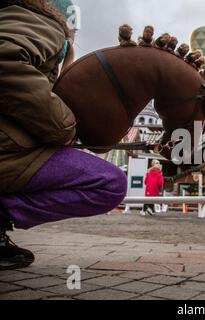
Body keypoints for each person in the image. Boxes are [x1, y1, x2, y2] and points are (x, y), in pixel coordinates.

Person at [0, 0, 128, 270]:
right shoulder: (40, 21)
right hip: (7, 150)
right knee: (110, 183)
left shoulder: (14, 17)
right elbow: (5, 59)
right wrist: (63, 126)